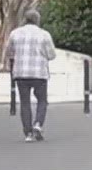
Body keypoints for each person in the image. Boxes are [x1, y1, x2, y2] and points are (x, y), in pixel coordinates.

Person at [5, 9, 56, 142]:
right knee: (42, 101)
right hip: (39, 73)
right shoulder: (44, 34)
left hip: (21, 73)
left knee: (25, 103)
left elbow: (8, 52)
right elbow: (51, 55)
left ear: (25, 19)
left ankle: (28, 133)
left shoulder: (15, 33)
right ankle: (38, 124)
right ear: (37, 20)